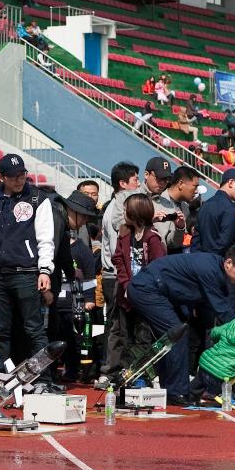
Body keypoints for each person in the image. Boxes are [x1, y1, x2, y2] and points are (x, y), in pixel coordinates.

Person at [125, 245, 235, 405]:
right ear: (229, 263)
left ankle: (170, 387)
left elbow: (215, 312)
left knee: (172, 337)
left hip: (160, 291)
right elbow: (222, 309)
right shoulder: (210, 270)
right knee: (177, 335)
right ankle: (177, 391)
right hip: (147, 288)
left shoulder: (218, 272)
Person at [0, 153, 54, 379]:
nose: (19, 180)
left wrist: (45, 270)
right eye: (13, 176)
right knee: (1, 331)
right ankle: (0, 379)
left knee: (34, 329)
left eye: (22, 174)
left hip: (27, 273)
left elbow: (46, 240)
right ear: (1, 177)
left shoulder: (38, 199)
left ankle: (44, 378)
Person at [94, 161, 141, 389]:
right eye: (135, 180)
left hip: (119, 274)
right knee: (117, 325)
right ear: (123, 184)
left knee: (123, 325)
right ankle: (110, 372)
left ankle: (119, 370)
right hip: (115, 275)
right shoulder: (117, 209)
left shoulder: (122, 205)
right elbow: (116, 250)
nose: (138, 183)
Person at [109, 194, 164, 375]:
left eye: (126, 210)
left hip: (146, 298)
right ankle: (128, 373)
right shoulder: (125, 233)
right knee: (126, 337)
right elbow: (118, 258)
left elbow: (159, 267)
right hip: (126, 296)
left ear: (135, 212)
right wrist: (126, 285)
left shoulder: (153, 238)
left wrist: (143, 291)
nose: (123, 213)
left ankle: (144, 375)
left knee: (144, 337)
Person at [192, 167, 235, 256]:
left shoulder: (205, 204)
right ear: (231, 182)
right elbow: (224, 243)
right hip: (219, 263)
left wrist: (199, 259)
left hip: (199, 260)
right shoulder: (231, 208)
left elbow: (196, 237)